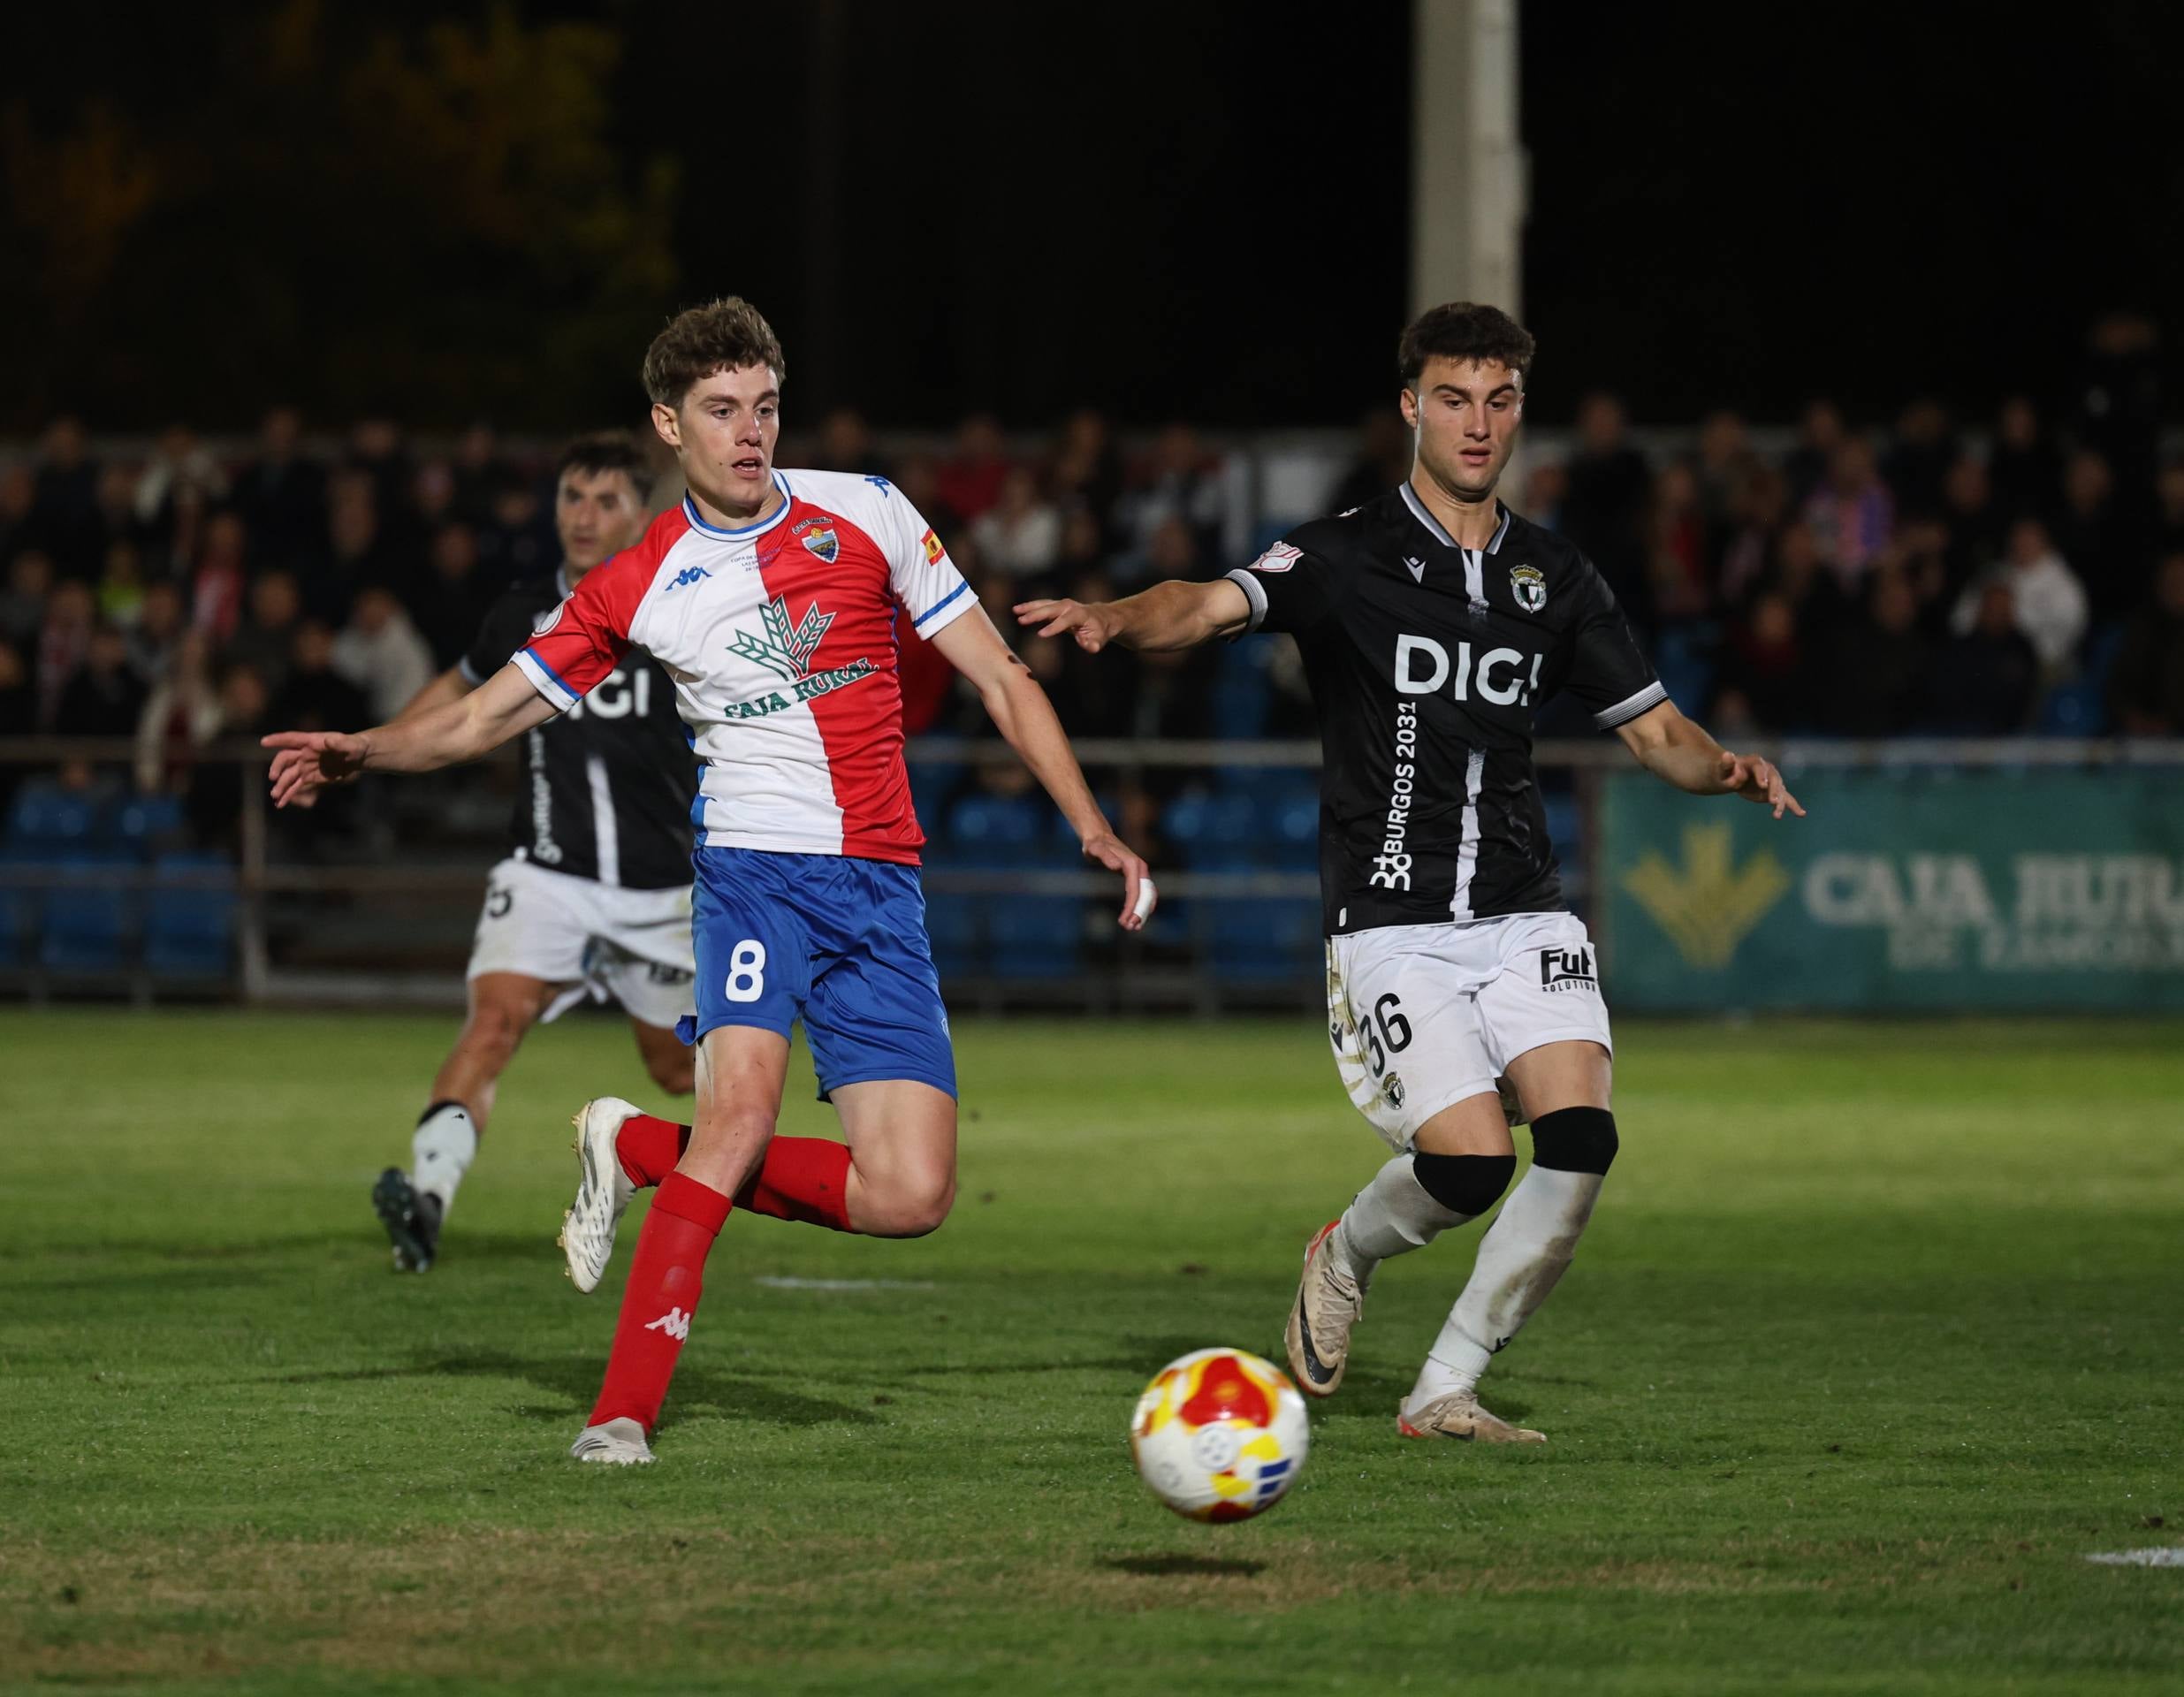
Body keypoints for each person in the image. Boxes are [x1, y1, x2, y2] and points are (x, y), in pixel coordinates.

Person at [263, 298, 1151, 1465]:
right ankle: (619, 1413)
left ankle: (637, 1152)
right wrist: (367, 749)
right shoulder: (638, 581)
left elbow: (995, 673)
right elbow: (486, 712)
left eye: (764, 407)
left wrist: (1088, 821)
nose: (749, 433)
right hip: (750, 880)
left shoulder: (867, 510)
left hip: (880, 887)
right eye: (721, 412)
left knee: (910, 1193)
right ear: (666, 426)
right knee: (734, 1123)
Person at [1016, 302, 1801, 1444]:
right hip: (1391, 918)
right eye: (1451, 398)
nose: (1475, 423)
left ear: (1517, 410)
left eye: (1496, 400)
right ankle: (1342, 1253)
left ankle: (1443, 1390)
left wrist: (1723, 769)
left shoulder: (1554, 575)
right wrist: (1112, 615)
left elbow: (1651, 730)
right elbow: (1207, 602)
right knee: (1471, 1165)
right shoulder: (1344, 555)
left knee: (1580, 1139)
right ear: (1408, 408)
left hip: (1522, 903)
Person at [364, 433, 701, 1274]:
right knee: (492, 1026)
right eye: (570, 499)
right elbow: (460, 688)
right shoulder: (522, 614)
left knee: (677, 1072)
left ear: (641, 513)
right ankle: (428, 1201)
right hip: (546, 873)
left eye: (605, 501)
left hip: (664, 892)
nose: (583, 518)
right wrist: (367, 748)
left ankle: (642, 1158)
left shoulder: (679, 613)